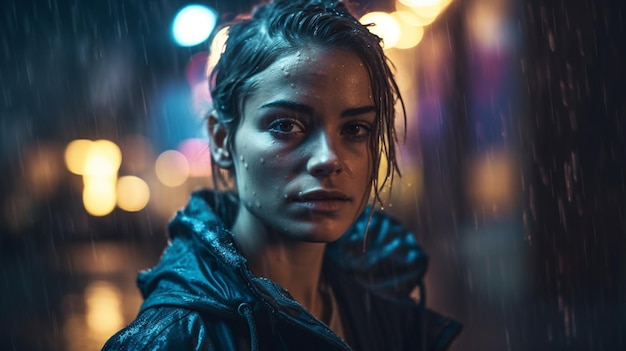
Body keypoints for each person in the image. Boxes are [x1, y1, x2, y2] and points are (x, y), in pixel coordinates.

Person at [103, 0, 461, 350]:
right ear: (221, 139)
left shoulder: (388, 313)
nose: (328, 159)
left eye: (354, 129)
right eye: (286, 125)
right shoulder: (174, 339)